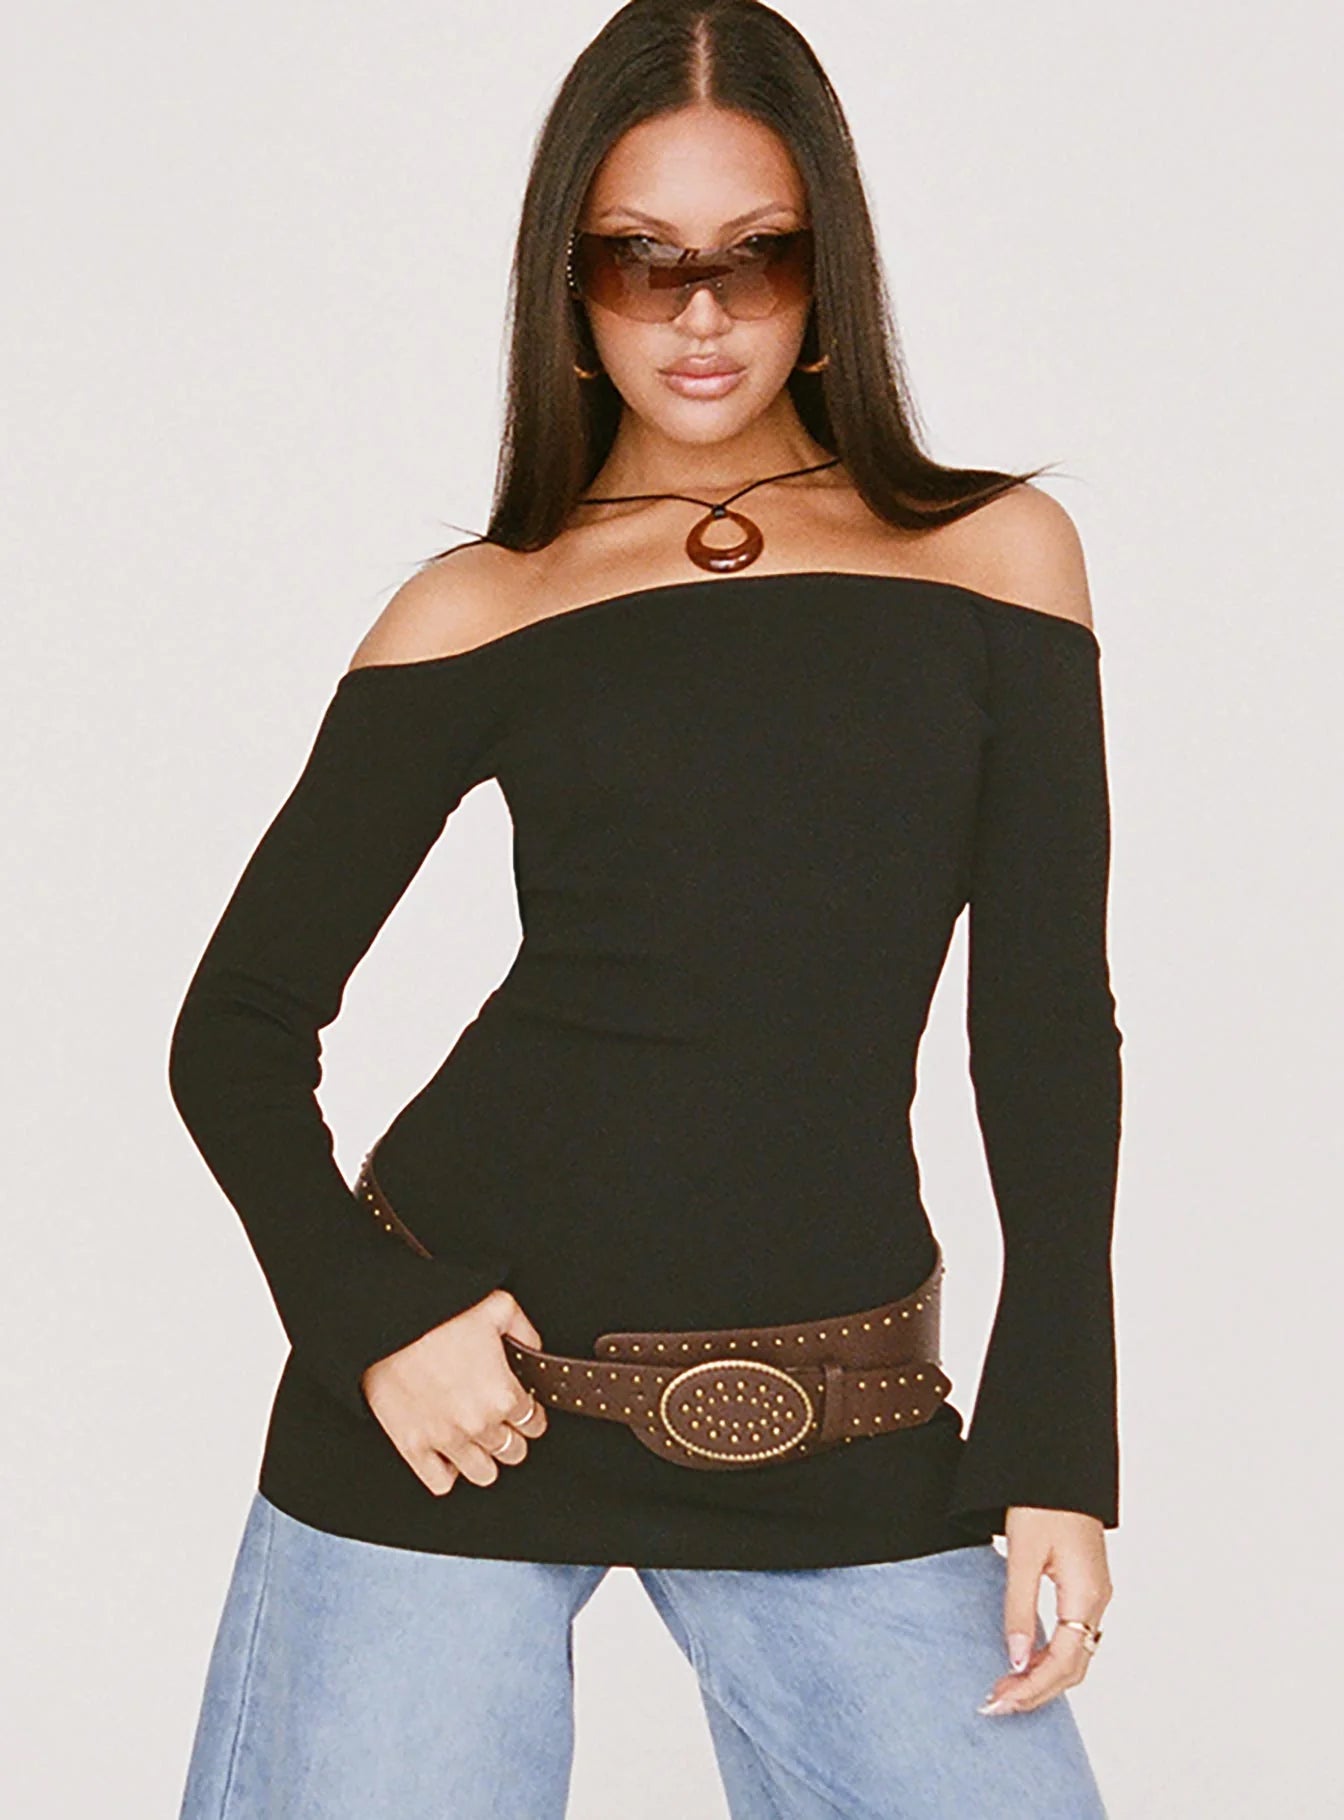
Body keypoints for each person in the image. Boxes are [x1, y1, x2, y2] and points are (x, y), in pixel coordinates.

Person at [167, 4, 1121, 1815]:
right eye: (641, 260)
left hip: (840, 1417)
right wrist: (369, 1311)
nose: (701, 314)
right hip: (463, 1406)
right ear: (570, 283)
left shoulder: (994, 557)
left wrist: (1058, 1438)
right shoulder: (489, 602)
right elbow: (234, 1029)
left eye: (757, 257)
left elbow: (1046, 1028)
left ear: (830, 272)